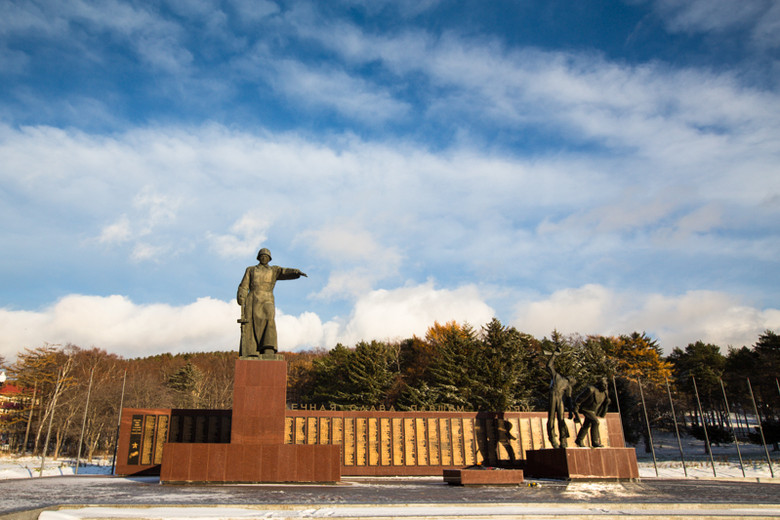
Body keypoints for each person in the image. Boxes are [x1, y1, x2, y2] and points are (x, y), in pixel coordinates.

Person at [237, 248, 307, 358]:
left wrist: (296, 272)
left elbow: (284, 271)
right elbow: (244, 285)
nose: (264, 257)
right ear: (258, 257)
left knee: (269, 320)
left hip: (267, 299)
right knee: (250, 324)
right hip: (252, 299)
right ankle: (251, 350)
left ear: (269, 258)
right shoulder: (251, 270)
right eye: (262, 256)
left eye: (266, 256)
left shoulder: (273, 270)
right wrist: (241, 295)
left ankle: (268, 347)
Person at [545, 348, 577, 448]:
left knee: (561, 419)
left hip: (560, 400)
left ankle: (563, 440)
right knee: (551, 418)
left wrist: (571, 411)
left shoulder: (568, 386)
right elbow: (549, 366)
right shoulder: (557, 377)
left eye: (573, 379)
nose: (572, 377)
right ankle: (552, 439)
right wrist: (554, 355)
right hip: (553, 396)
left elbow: (569, 399)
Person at [573, 377, 610, 447]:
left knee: (587, 425)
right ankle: (595, 442)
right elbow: (579, 399)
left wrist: (607, 404)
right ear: (599, 384)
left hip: (593, 411)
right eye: (604, 385)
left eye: (606, 385)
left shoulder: (605, 392)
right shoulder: (591, 389)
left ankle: (579, 439)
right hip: (585, 409)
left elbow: (604, 404)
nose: (605, 387)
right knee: (595, 422)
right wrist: (576, 409)